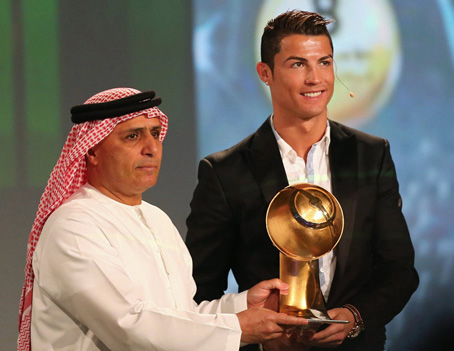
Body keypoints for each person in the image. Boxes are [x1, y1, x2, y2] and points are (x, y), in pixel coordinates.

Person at [185, 10, 419, 351]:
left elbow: (399, 270)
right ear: (265, 73)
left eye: (324, 62)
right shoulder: (225, 172)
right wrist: (251, 329)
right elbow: (201, 291)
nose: (315, 78)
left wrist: (354, 317)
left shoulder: (371, 155)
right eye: (297, 65)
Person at [17, 87, 308, 351]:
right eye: (132, 136)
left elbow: (180, 317)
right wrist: (240, 328)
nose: (151, 148)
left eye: (155, 133)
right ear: (91, 150)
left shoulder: (156, 219)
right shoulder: (73, 226)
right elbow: (130, 327)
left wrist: (244, 304)